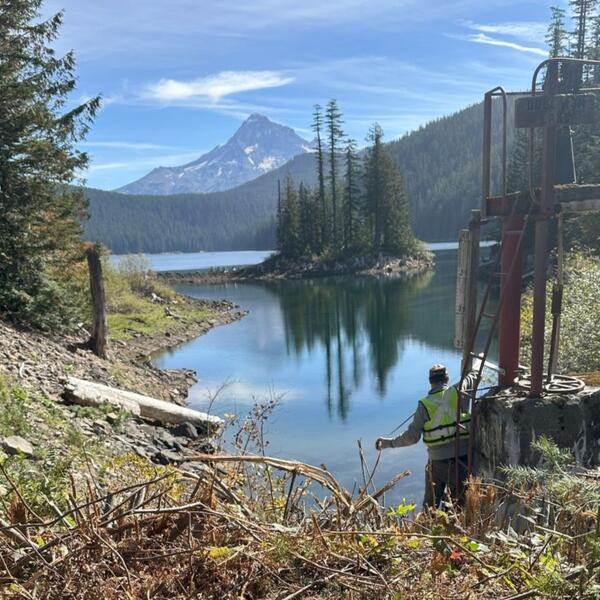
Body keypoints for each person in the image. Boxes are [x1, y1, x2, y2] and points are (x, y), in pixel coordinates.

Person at [375, 363, 479, 509]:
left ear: (430, 381)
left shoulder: (424, 405)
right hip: (461, 461)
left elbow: (412, 437)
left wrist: (388, 443)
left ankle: (429, 527)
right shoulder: (459, 391)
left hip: (436, 463)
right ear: (447, 379)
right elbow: (473, 377)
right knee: (459, 506)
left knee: (430, 507)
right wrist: (474, 365)